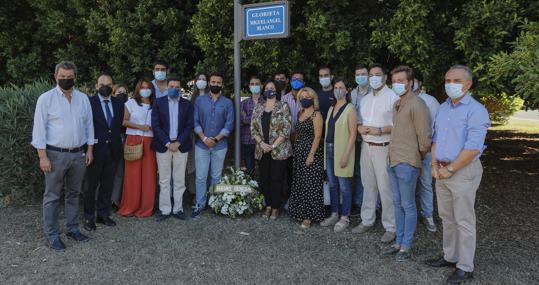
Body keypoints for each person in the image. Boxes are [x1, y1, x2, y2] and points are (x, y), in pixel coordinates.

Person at [426, 65, 490, 284]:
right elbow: (435, 140)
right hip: (441, 169)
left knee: (463, 219)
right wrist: (434, 166)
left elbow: (473, 148)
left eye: (456, 80)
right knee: (446, 217)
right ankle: (450, 256)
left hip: (462, 171)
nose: (450, 84)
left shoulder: (476, 110)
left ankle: (465, 267)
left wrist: (450, 169)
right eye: (447, 80)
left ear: (468, 84)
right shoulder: (443, 109)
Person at [31, 61, 94, 251]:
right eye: (62, 77)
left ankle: (72, 229)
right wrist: (42, 156)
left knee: (74, 194)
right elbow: (39, 130)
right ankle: (52, 235)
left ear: (75, 77)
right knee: (52, 196)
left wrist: (90, 150)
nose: (66, 80)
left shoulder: (83, 99)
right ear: (55, 76)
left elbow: (89, 126)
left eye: (69, 77)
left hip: (78, 154)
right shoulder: (46, 99)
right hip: (54, 155)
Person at [382, 66, 432, 261]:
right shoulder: (397, 104)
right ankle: (398, 241)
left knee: (408, 205)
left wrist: (414, 156)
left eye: (402, 80)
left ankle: (406, 246)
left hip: (407, 163)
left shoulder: (417, 104)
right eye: (395, 81)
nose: (398, 84)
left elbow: (425, 139)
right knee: (397, 204)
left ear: (411, 82)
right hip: (393, 160)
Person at [352, 64, 398, 243]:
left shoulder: (393, 97)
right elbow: (360, 121)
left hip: (384, 147)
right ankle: (367, 220)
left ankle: (391, 226)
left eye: (377, 75)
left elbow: (399, 125)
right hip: (366, 147)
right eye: (371, 75)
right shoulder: (366, 99)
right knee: (368, 184)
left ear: (385, 77)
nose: (373, 78)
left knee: (386, 188)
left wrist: (380, 130)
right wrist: (359, 127)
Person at [83, 72, 124, 231]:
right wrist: (88, 149)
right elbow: (86, 126)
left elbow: (118, 126)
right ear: (96, 86)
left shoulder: (119, 103)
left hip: (113, 150)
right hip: (94, 150)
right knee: (90, 186)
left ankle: (103, 215)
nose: (105, 87)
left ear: (112, 86)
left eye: (108, 85)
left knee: (107, 185)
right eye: (102, 85)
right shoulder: (89, 102)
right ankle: (88, 217)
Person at [152, 77, 194, 221]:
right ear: (167, 87)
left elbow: (189, 126)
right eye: (171, 86)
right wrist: (167, 143)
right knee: (164, 180)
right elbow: (155, 126)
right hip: (163, 146)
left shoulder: (187, 105)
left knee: (179, 179)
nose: (174, 89)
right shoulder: (158, 103)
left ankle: (178, 209)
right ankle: (164, 210)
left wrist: (179, 142)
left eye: (177, 87)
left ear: (180, 88)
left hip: (181, 146)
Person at [193, 72, 234, 218]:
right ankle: (200, 204)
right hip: (201, 145)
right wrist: (204, 139)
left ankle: (215, 204)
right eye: (213, 82)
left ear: (222, 85)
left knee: (216, 177)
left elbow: (229, 125)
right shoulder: (199, 101)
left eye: (218, 82)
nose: (215, 84)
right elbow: (195, 121)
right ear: (209, 83)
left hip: (220, 145)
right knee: (201, 177)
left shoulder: (228, 103)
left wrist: (215, 139)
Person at [320, 79, 357, 232]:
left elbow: (353, 133)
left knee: (344, 186)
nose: (338, 90)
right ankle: (334, 213)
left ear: (346, 91)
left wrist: (346, 155)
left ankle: (345, 217)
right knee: (333, 184)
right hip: (329, 149)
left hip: (342, 151)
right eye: (336, 87)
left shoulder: (350, 109)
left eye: (341, 87)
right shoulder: (331, 108)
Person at [251, 80, 292, 219]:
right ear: (264, 90)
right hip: (262, 149)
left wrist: (273, 146)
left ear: (277, 89)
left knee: (277, 179)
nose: (269, 90)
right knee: (264, 178)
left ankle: (275, 207)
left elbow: (286, 130)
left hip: (278, 150)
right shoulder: (258, 107)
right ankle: (268, 205)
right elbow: (253, 129)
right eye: (267, 88)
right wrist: (262, 144)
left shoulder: (283, 106)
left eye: (272, 88)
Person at [117, 79, 157, 218]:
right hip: (134, 140)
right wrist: (141, 127)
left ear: (152, 90)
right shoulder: (130, 103)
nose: (145, 90)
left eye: (148, 87)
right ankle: (130, 207)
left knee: (149, 176)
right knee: (132, 176)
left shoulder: (155, 104)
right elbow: (123, 121)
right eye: (142, 87)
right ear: (138, 89)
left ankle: (146, 208)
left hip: (150, 141)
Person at [288, 87, 325, 228]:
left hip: (311, 152)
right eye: (302, 97)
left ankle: (309, 216)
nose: (304, 99)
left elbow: (317, 136)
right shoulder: (300, 113)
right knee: (301, 182)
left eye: (307, 96)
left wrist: (311, 154)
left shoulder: (316, 115)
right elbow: (298, 132)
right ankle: (299, 212)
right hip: (299, 151)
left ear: (313, 98)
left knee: (311, 184)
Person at [413, 74, 441, 232]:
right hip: (408, 150)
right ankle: (409, 215)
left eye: (415, 80)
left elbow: (436, 129)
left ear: (419, 83)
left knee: (425, 183)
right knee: (407, 183)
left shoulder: (430, 101)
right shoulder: (401, 99)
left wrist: (427, 148)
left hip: (426, 149)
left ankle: (428, 215)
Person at [350, 64, 370, 213]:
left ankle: (373, 205)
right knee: (357, 171)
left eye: (363, 74)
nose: (360, 77)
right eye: (358, 75)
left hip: (370, 136)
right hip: (355, 137)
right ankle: (358, 202)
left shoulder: (373, 92)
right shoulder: (352, 93)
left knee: (370, 173)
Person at [186, 73, 209, 196]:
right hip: (194, 136)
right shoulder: (192, 98)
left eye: (204, 79)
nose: (201, 81)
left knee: (207, 166)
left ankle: (208, 193)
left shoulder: (212, 97)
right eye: (199, 79)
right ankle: (194, 193)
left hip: (209, 136)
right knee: (194, 165)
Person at [240, 75, 264, 175]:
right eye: (252, 84)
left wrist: (248, 117)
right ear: (249, 87)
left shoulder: (266, 102)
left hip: (263, 141)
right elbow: (241, 120)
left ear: (261, 86)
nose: (254, 86)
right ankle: (252, 189)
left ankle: (262, 189)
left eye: (257, 84)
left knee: (263, 169)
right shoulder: (244, 103)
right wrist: (258, 117)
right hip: (247, 140)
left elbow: (268, 120)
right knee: (250, 169)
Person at [111, 84, 129, 208]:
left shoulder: (129, 107)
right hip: (110, 141)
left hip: (124, 140)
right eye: (118, 92)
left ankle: (115, 200)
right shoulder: (109, 106)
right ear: (113, 93)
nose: (121, 94)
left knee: (120, 171)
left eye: (124, 92)